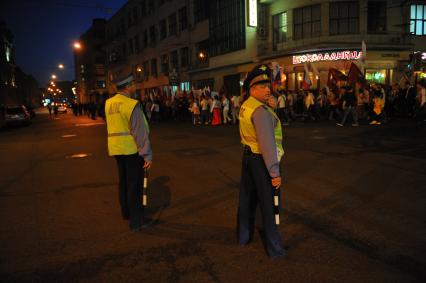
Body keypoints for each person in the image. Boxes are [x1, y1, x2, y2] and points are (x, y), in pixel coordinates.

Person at [237, 64, 286, 258]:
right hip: (261, 161)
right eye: (263, 86)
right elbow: (267, 145)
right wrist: (274, 173)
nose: (268, 89)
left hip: (247, 158)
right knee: (269, 205)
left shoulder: (247, 105)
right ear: (252, 89)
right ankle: (275, 248)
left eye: (268, 85)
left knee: (246, 200)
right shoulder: (260, 111)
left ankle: (243, 237)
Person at [105, 74, 153, 232]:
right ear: (127, 86)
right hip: (132, 150)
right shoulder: (131, 104)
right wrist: (147, 154)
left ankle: (126, 213)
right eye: (133, 84)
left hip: (116, 149)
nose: (135, 86)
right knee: (135, 186)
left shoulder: (109, 103)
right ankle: (136, 221)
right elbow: (139, 132)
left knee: (124, 183)